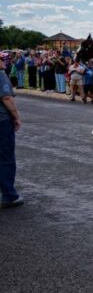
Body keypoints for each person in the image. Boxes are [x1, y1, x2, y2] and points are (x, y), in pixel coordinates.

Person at [0, 56, 23, 209]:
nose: (4, 61)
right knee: (6, 158)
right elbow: (6, 97)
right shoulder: (1, 75)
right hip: (1, 121)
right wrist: (16, 116)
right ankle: (9, 195)